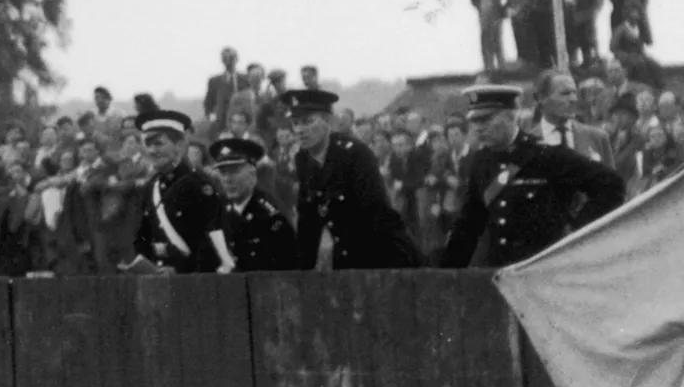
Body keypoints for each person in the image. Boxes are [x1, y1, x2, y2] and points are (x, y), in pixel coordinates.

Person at [440, 84, 627, 270]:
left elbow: (612, 185)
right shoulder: (480, 162)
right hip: (499, 275)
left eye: (486, 120)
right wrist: (444, 275)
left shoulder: (546, 156)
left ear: (510, 116)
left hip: (542, 271)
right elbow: (469, 224)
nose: (478, 128)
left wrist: (575, 231)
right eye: (475, 121)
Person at [283, 87, 421, 270]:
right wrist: (300, 273)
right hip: (346, 257)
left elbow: (376, 212)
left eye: (308, 121)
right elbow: (308, 222)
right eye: (295, 123)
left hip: (384, 254)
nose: (300, 129)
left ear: (327, 121)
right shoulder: (303, 160)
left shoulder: (354, 154)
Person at [130, 109, 226, 273]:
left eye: (159, 143)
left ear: (180, 145)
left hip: (191, 283)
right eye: (148, 144)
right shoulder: (151, 186)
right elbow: (143, 236)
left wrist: (180, 271)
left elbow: (212, 243)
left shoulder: (199, 185)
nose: (152, 151)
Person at [204, 135, 300, 272]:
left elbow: (287, 268)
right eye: (223, 172)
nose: (227, 179)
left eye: (234, 171)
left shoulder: (271, 217)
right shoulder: (216, 212)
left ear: (253, 175)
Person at [470, 0, 508, 73]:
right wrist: (479, 7)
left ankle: (501, 66)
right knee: (486, 43)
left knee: (497, 42)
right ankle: (488, 66)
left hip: (496, 20)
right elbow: (473, 0)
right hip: (484, 20)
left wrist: (503, 10)